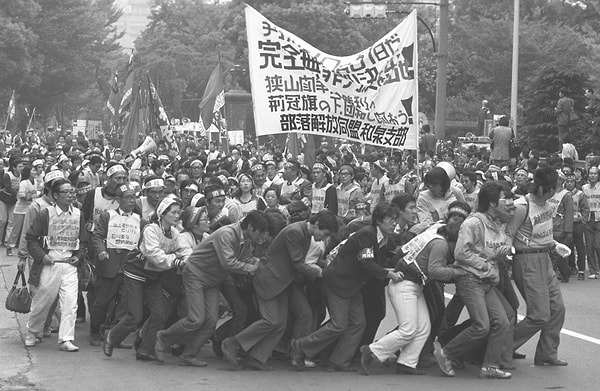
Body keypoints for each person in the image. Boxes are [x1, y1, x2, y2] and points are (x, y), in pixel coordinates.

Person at [359, 202, 470, 376]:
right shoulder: (441, 245)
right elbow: (435, 270)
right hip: (405, 285)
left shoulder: (436, 236)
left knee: (424, 327)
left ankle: (407, 362)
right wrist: (458, 271)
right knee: (408, 329)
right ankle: (372, 351)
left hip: (413, 285)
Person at [289, 203, 403, 372]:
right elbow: (367, 263)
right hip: (337, 283)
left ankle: (339, 361)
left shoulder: (382, 238)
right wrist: (389, 274)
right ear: (379, 220)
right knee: (339, 324)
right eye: (390, 219)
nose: (394, 223)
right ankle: (300, 346)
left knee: (358, 323)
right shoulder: (367, 236)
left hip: (352, 286)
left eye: (395, 219)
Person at [222, 210, 339, 370]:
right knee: (271, 320)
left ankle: (256, 357)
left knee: (280, 323)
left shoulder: (303, 232)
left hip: (281, 282)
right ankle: (233, 343)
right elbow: (297, 263)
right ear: (317, 225)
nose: (324, 238)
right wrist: (319, 272)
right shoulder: (296, 232)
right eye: (325, 233)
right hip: (269, 279)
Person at [155, 211, 270, 367]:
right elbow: (228, 263)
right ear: (250, 227)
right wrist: (250, 268)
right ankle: (163, 338)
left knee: (211, 321)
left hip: (213, 279)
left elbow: (242, 259)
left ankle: (189, 354)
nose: (262, 236)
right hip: (196, 274)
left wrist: (254, 260)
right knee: (196, 319)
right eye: (261, 232)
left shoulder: (247, 241)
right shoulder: (227, 234)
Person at [435, 182, 516, 379]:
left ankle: (490, 366)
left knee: (504, 320)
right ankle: (447, 352)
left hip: (487, 281)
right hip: (470, 280)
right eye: (506, 200)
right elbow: (461, 253)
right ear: (493, 203)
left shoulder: (499, 224)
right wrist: (486, 264)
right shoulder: (472, 223)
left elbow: (492, 253)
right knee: (482, 325)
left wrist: (501, 255)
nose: (511, 205)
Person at [105, 197, 186, 361]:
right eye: (173, 212)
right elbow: (154, 254)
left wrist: (186, 258)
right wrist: (176, 260)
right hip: (136, 272)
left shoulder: (176, 233)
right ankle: (112, 338)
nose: (177, 215)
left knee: (159, 314)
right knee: (135, 315)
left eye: (179, 212)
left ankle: (145, 349)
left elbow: (185, 250)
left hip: (154, 276)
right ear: (162, 213)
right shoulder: (151, 229)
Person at [506, 167, 568, 366]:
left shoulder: (547, 204)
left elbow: (543, 232)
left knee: (557, 309)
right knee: (539, 315)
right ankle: (499, 349)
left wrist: (555, 245)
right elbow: (508, 236)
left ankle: (547, 354)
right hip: (527, 261)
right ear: (541, 189)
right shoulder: (521, 207)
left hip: (546, 259)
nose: (554, 192)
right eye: (552, 189)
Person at [25, 178, 88, 352]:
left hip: (69, 266)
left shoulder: (78, 214)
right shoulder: (45, 214)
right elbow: (31, 238)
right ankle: (32, 330)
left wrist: (79, 256)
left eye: (72, 192)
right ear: (55, 195)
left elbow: (83, 241)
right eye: (66, 192)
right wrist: (42, 256)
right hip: (49, 265)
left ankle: (66, 338)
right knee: (42, 301)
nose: (70, 195)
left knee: (70, 303)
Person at [89, 183, 141, 347]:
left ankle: (117, 336)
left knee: (125, 303)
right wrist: (101, 251)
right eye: (128, 198)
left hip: (129, 267)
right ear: (118, 200)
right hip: (108, 266)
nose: (132, 201)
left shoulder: (139, 219)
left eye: (134, 197)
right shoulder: (107, 216)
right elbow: (97, 236)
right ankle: (96, 330)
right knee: (102, 302)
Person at [565, 173, 589, 280]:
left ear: (575, 182)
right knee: (568, 247)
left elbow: (585, 209)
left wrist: (583, 221)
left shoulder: (580, 194)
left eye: (572, 181)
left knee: (580, 248)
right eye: (568, 181)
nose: (569, 184)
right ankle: (571, 266)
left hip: (578, 224)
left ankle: (581, 270)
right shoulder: (564, 194)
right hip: (566, 224)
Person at [1, 156, 23, 255]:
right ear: (14, 168)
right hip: (4, 200)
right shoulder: (7, 175)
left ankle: (7, 241)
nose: (21, 168)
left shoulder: (22, 176)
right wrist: (18, 193)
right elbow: (8, 188)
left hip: (14, 201)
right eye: (19, 166)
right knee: (3, 220)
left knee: (11, 221)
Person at [582, 166, 600, 279]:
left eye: (595, 173)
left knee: (598, 245)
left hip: (599, 219)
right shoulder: (584, 188)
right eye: (591, 173)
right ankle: (593, 270)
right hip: (588, 219)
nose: (592, 175)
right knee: (589, 246)